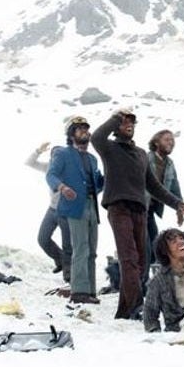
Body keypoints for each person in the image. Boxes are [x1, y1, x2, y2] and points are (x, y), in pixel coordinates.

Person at [92, 108, 184, 319]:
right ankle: (137, 306)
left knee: (142, 260)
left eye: (132, 122)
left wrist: (177, 203)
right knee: (129, 258)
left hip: (140, 210)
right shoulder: (109, 148)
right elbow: (96, 137)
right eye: (125, 122)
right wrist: (116, 117)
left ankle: (125, 311)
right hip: (119, 208)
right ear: (117, 127)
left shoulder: (140, 155)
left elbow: (154, 186)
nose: (129, 125)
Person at [47, 117, 105, 304]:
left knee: (92, 250)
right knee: (81, 247)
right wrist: (63, 188)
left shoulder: (93, 159)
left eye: (86, 129)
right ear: (71, 134)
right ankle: (79, 291)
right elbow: (51, 175)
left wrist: (107, 179)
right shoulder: (63, 154)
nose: (85, 132)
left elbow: (96, 184)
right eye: (79, 129)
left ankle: (90, 291)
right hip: (74, 207)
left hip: (91, 206)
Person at [26, 141, 72, 279]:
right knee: (43, 239)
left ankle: (69, 275)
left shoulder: (70, 169)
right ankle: (60, 259)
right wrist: (38, 150)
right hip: (52, 209)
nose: (55, 158)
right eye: (53, 156)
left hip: (66, 211)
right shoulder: (49, 167)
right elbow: (29, 162)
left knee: (68, 244)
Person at [145, 130, 183, 274]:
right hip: (141, 206)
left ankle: (155, 276)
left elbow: (174, 187)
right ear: (156, 142)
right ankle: (144, 280)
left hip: (151, 209)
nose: (171, 142)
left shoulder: (169, 164)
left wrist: (180, 207)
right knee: (147, 244)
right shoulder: (146, 159)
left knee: (154, 242)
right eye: (167, 140)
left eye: (172, 140)